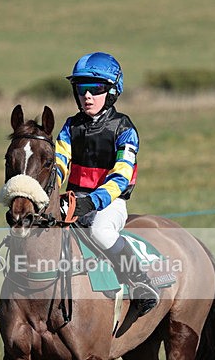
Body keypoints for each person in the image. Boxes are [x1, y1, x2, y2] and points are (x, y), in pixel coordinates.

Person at [55, 51, 159, 317]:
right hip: (73, 200)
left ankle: (142, 283)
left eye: (95, 88)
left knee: (101, 231)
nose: (87, 96)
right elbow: (59, 163)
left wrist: (93, 200)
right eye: (81, 88)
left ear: (112, 92)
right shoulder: (69, 126)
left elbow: (122, 175)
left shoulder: (124, 129)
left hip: (109, 203)